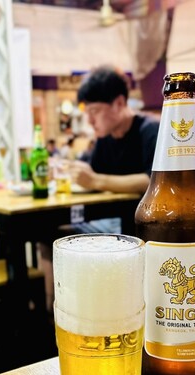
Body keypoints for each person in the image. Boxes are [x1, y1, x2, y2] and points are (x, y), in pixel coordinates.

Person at [38, 65, 160, 312]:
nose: (90, 120)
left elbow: (154, 182)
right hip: (112, 220)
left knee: (60, 236)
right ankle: (57, 309)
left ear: (119, 103)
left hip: (144, 227)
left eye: (94, 111)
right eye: (87, 113)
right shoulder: (104, 141)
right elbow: (91, 173)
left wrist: (96, 181)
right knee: (48, 232)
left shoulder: (150, 130)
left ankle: (96, 309)